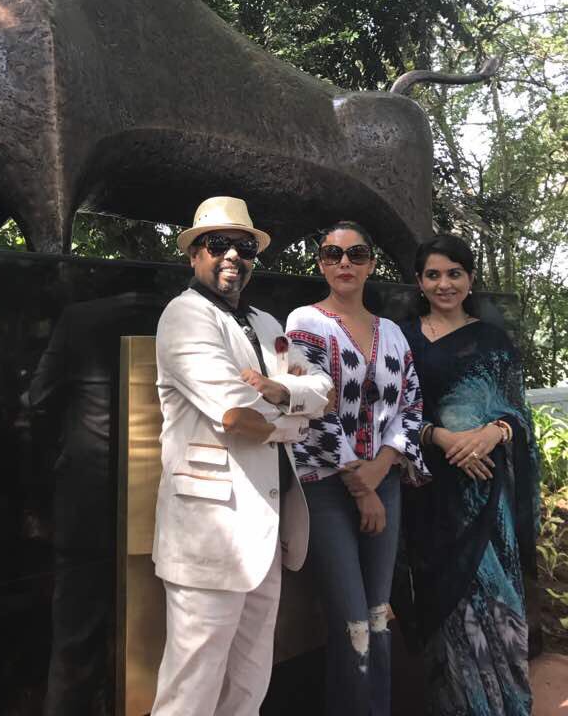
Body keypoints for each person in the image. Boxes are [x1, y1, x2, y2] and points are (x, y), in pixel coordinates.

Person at [151, 196, 333, 716]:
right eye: (218, 244)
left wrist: (279, 391)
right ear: (194, 254)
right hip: (210, 535)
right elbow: (236, 416)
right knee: (191, 690)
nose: (233, 255)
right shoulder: (184, 316)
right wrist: (297, 417)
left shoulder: (267, 323)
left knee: (249, 683)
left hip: (265, 531)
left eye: (245, 247)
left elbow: (324, 390)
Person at [285, 220, 429, 716]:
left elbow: (411, 405)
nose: (344, 263)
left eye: (356, 254)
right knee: (352, 622)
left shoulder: (393, 334)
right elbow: (311, 407)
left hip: (384, 481)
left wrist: (382, 467)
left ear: (371, 264)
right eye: (332, 254)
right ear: (321, 264)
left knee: (378, 615)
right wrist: (359, 483)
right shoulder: (306, 322)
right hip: (326, 485)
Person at [400, 233, 540, 716]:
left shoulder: (493, 341)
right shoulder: (402, 339)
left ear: (470, 278)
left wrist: (492, 433)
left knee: (499, 603)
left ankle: (508, 705)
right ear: (419, 282)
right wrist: (441, 437)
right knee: (448, 611)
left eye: (454, 273)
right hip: (431, 494)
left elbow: (519, 413)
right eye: (433, 275)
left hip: (486, 493)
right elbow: (389, 411)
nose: (444, 284)